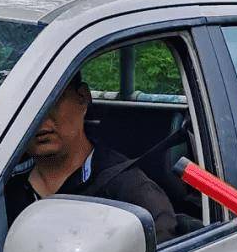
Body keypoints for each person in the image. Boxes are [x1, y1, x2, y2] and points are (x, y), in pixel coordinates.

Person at [11, 72, 177, 242]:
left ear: (83, 97)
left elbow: (164, 249)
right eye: (25, 107)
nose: (38, 117)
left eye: (50, 101)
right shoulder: (4, 186)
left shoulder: (127, 191)